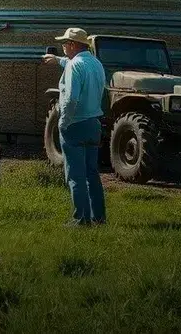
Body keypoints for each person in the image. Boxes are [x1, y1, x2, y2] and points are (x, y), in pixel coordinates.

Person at [43, 27, 107, 226]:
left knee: (75, 175)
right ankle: (99, 217)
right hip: (93, 123)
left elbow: (70, 99)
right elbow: (76, 64)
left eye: (65, 43)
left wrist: (63, 122)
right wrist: (58, 61)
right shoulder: (96, 63)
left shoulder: (73, 66)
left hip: (75, 123)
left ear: (72, 45)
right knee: (91, 174)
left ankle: (81, 219)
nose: (63, 46)